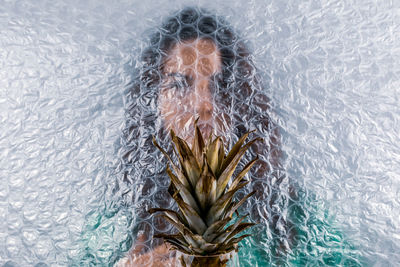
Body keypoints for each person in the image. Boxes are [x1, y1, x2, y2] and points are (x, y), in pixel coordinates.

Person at [117, 6, 295, 266]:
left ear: (243, 100)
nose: (204, 105)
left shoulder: (285, 210)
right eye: (180, 84)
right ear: (152, 100)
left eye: (220, 85)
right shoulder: (121, 220)